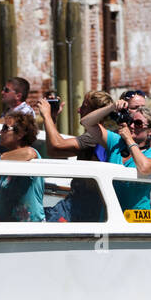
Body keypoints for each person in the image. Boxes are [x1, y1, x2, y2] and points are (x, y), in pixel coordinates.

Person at [43, 90, 112, 222]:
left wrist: (46, 116)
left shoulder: (94, 137)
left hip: (83, 206)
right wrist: (52, 118)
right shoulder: (97, 136)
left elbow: (57, 145)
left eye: (84, 107)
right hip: (77, 203)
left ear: (96, 112)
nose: (79, 110)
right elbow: (54, 151)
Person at [0, 109, 44, 222]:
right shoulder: (8, 163)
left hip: (29, 231)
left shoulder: (31, 156)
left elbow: (29, 153)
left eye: (5, 128)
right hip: (6, 230)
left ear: (20, 134)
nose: (0, 132)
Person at [101, 106, 151, 212]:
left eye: (138, 123)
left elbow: (145, 168)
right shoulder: (116, 142)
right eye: (131, 121)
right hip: (109, 216)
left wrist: (129, 139)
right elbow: (88, 123)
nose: (131, 125)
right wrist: (111, 107)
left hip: (135, 219)